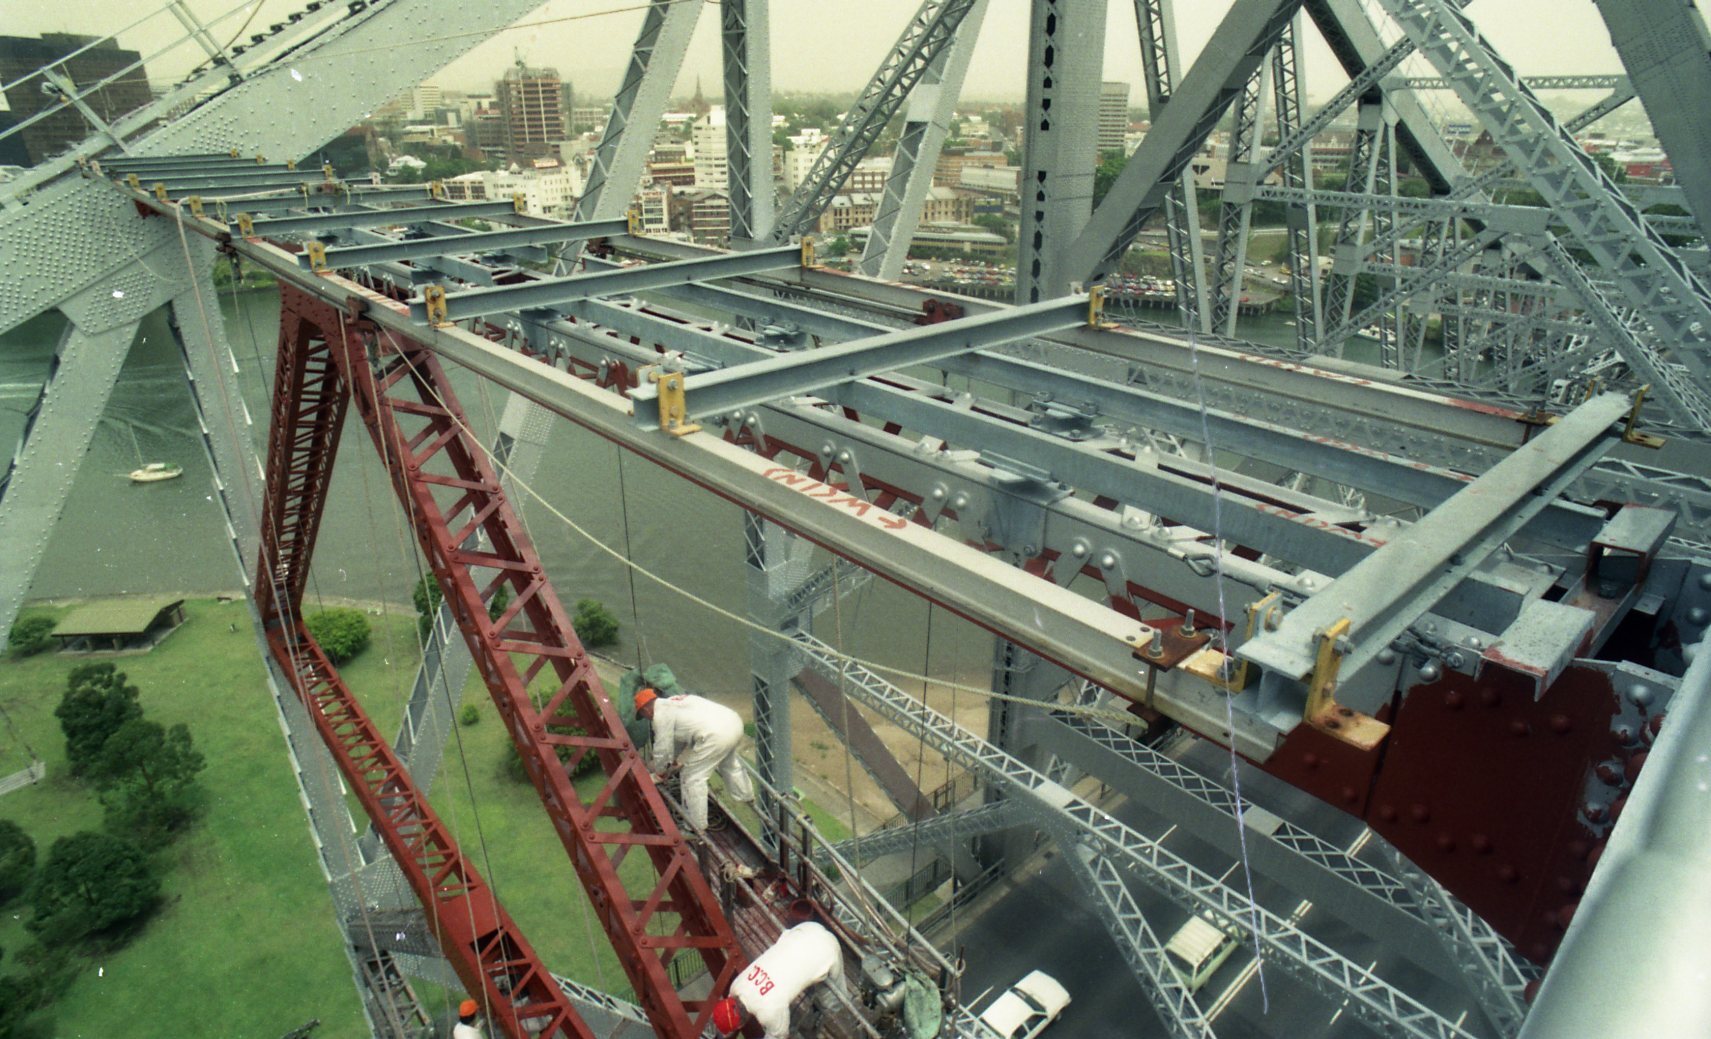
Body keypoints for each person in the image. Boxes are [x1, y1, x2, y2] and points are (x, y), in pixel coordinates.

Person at [634, 686, 755, 831]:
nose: (647, 718)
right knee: (728, 763)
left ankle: (696, 826)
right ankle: (745, 795)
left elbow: (663, 747)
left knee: (692, 777)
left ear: (646, 710)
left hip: (714, 736)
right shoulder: (677, 701)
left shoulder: (660, 716)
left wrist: (660, 772)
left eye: (643, 715)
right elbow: (678, 739)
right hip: (733, 723)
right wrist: (674, 759)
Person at [712, 921, 847, 1039]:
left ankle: (833, 1019)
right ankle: (817, 1006)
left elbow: (780, 1035)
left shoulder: (768, 1012)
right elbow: (731, 1004)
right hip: (806, 930)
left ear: (740, 1024)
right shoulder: (737, 985)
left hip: (827, 949)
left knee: (832, 1002)